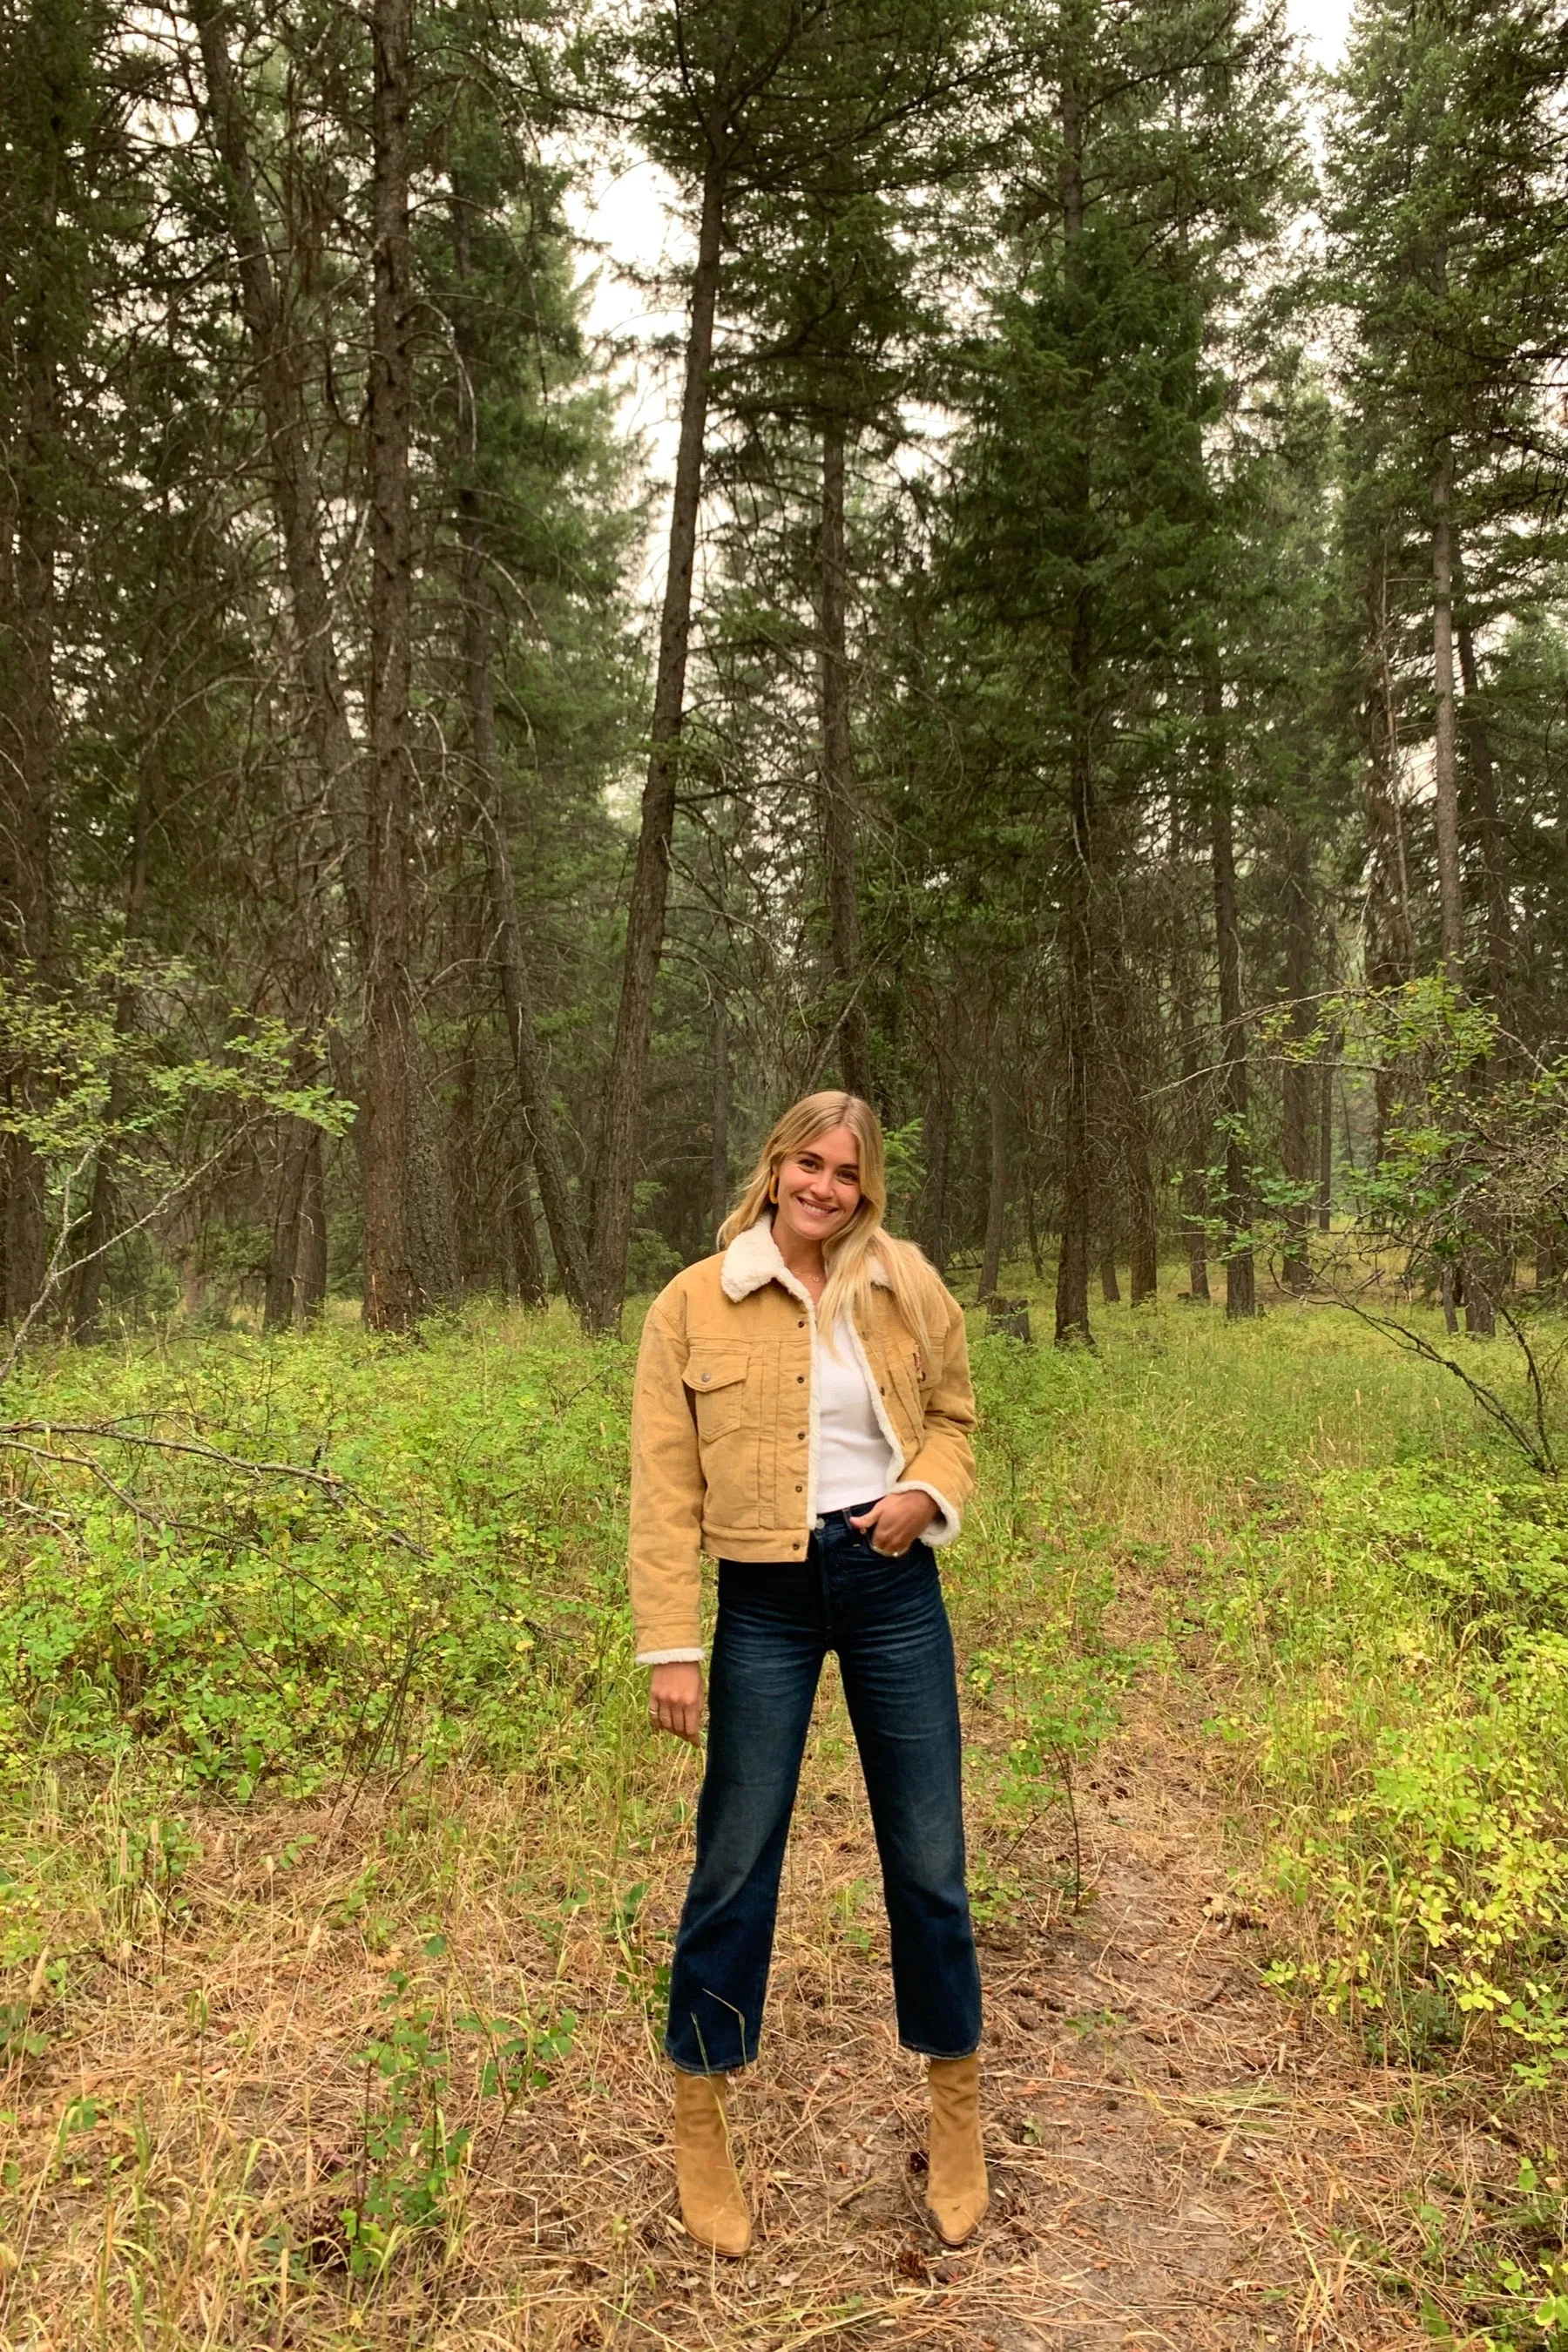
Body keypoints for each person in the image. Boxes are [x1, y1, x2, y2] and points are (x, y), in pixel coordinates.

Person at [629, 1090, 987, 2258]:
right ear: (775, 1163)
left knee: (929, 1857)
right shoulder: (695, 1301)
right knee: (736, 1858)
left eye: (847, 1174)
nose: (824, 1188)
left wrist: (921, 1494)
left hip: (889, 1585)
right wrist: (671, 1644)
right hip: (764, 1603)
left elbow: (953, 1415)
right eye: (808, 1165)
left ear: (865, 1185)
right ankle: (701, 2110)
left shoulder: (903, 1281)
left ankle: (956, 2106)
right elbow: (663, 1486)